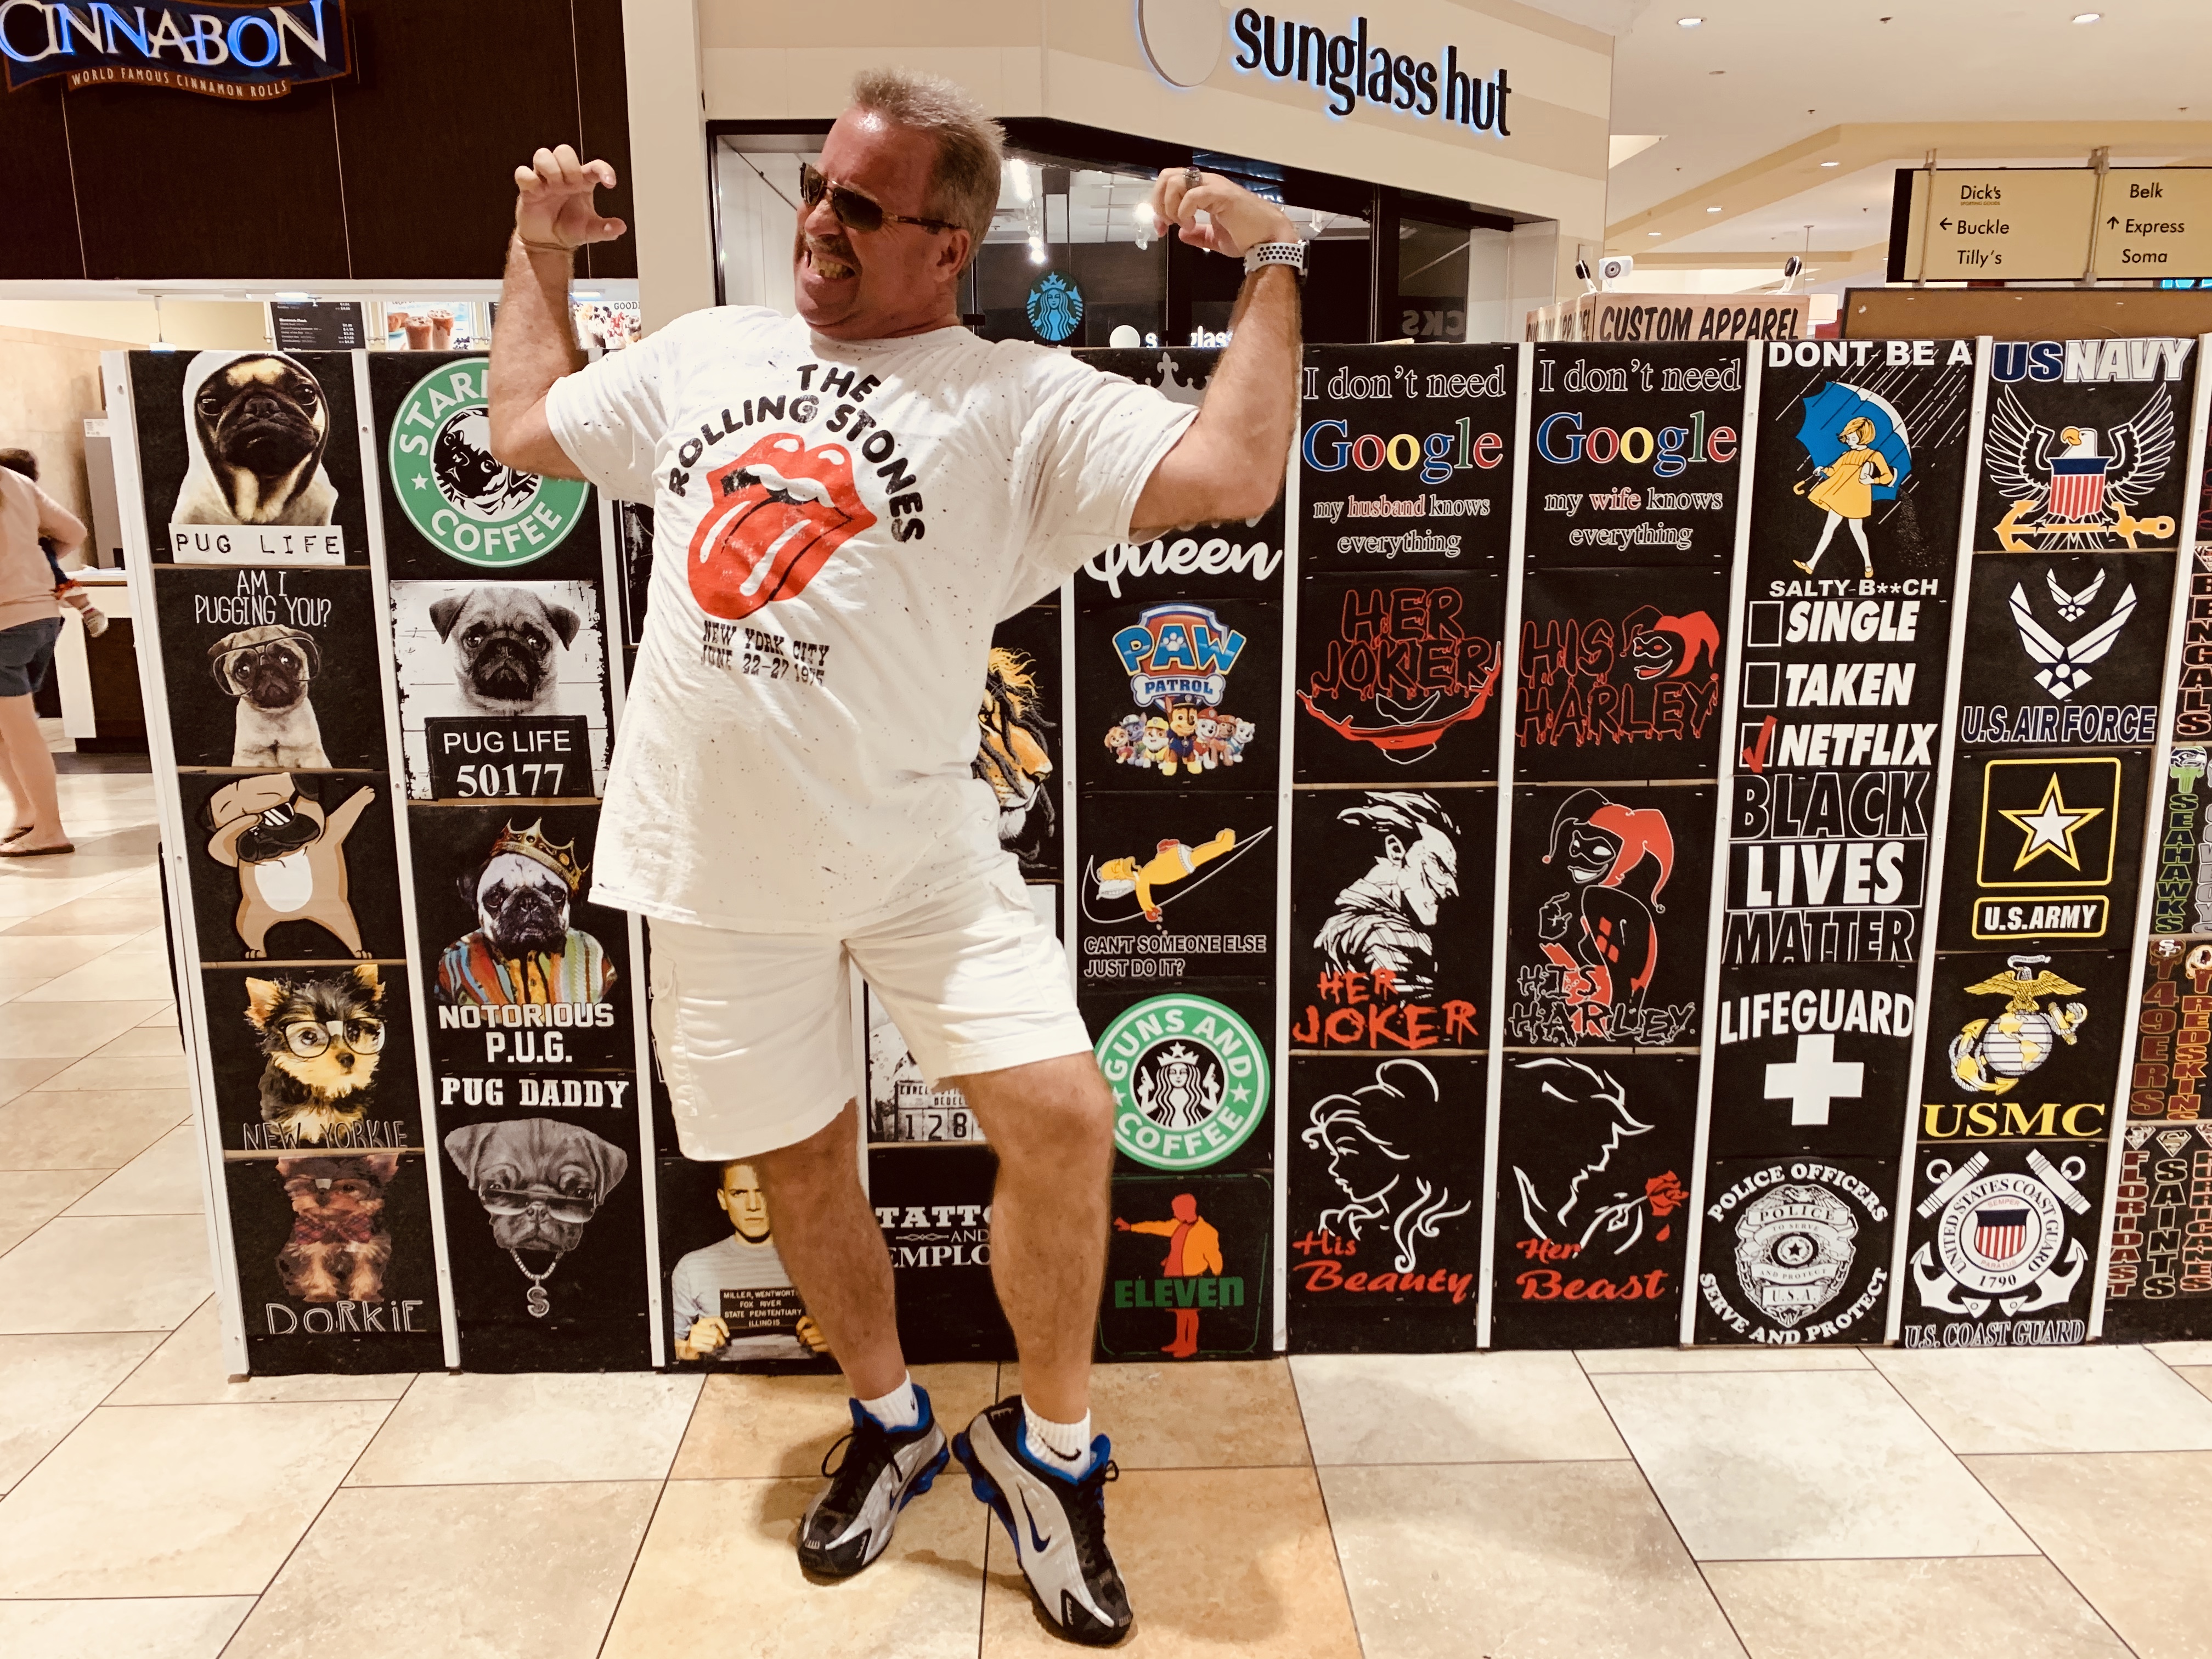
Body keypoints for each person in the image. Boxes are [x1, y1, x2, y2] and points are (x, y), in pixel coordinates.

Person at [488, 68, 1301, 1644]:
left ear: (949, 245)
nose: (819, 222)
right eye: (816, 186)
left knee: (1063, 1119)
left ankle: (1050, 1455)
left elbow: (1232, 473)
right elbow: (525, 427)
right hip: (715, 858)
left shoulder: (1014, 397)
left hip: (920, 847)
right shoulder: (710, 352)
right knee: (801, 1164)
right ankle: (887, 1420)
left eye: (860, 206)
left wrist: (1273, 260)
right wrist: (539, 253)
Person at [0, 448, 91, 856]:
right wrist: (36, 562)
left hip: (5, 622)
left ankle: (50, 828)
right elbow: (74, 532)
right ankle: (27, 813)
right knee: (10, 728)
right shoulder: (15, 481)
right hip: (41, 618)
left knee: (20, 733)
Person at [668, 1160, 831, 1362]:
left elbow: (863, 1342)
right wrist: (687, 1349)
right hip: (723, 1380)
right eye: (739, 1193)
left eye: (763, 1191)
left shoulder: (821, 1263)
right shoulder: (693, 1268)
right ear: (723, 1200)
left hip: (807, 1380)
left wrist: (836, 1347)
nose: (753, 1206)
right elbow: (667, 1346)